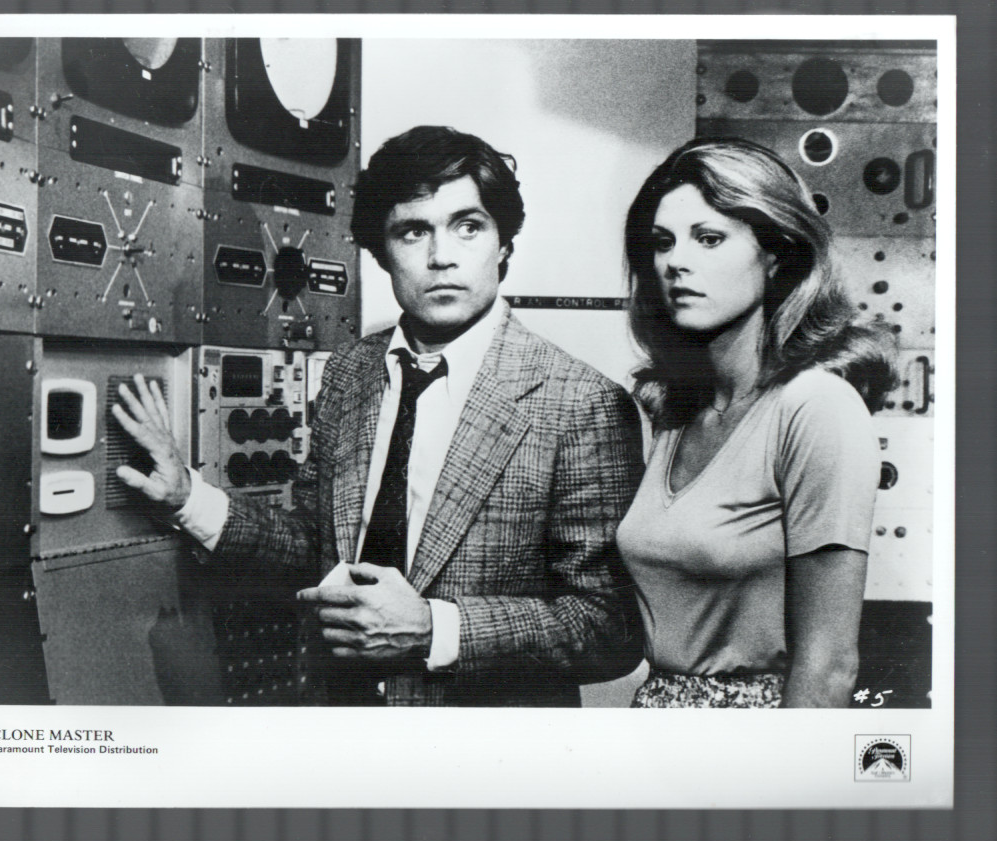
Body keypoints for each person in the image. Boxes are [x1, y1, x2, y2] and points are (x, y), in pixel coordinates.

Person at [113, 125, 645, 707]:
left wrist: (435, 630)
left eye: (468, 226)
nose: (442, 256)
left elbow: (611, 626)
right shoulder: (350, 371)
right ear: (381, 253)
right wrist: (188, 498)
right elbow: (314, 547)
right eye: (413, 231)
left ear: (503, 246)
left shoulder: (580, 403)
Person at [617, 137, 899, 708]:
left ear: (776, 255)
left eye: (709, 238)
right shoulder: (674, 410)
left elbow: (829, 666)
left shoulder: (816, 407)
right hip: (654, 725)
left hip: (757, 732)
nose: (676, 262)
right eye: (663, 242)